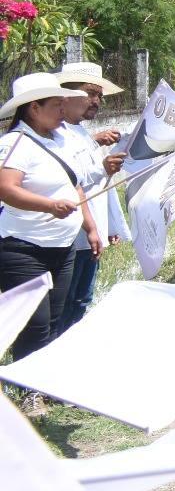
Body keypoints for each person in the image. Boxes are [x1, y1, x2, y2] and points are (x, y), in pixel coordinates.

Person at [0, 73, 97, 374]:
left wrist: (90, 227)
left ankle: (43, 382)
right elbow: (6, 188)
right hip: (23, 248)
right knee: (35, 321)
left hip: (62, 246)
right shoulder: (15, 143)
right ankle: (28, 389)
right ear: (33, 108)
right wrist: (49, 206)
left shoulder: (60, 140)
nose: (62, 110)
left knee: (55, 314)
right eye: (56, 104)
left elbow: (75, 186)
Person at [55, 62, 131, 331]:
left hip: (90, 236)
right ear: (66, 94)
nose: (97, 101)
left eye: (99, 95)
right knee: (64, 303)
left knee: (80, 300)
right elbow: (72, 184)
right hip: (72, 236)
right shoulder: (57, 134)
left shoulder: (80, 132)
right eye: (90, 93)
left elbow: (99, 189)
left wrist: (108, 225)